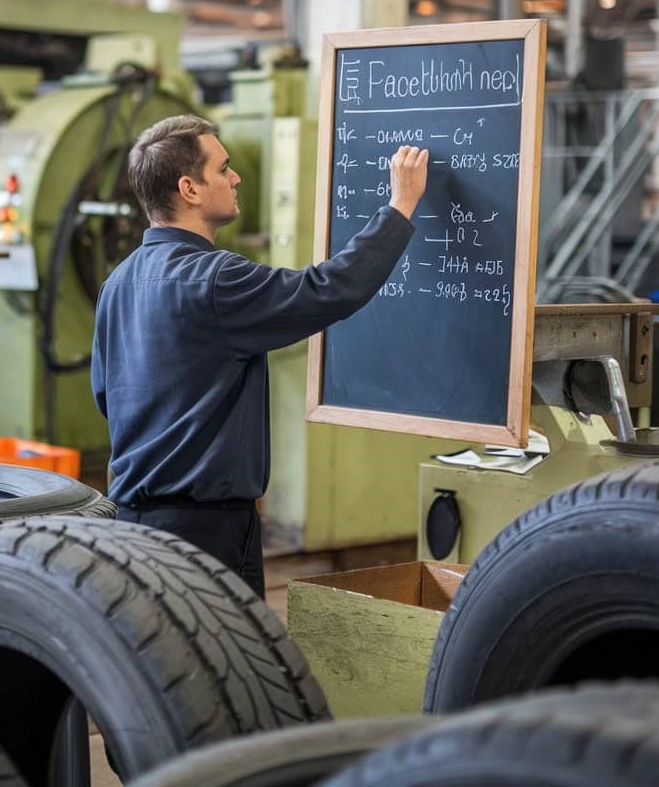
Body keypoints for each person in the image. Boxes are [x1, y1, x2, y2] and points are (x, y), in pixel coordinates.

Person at [91, 115, 428, 596]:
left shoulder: (117, 283)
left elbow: (106, 394)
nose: (236, 178)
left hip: (133, 522)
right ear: (189, 188)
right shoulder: (215, 280)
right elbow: (330, 288)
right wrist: (402, 204)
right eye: (223, 168)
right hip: (203, 533)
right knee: (222, 666)